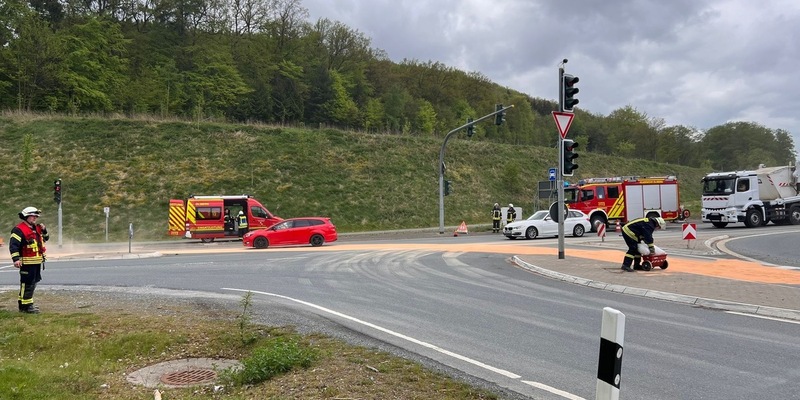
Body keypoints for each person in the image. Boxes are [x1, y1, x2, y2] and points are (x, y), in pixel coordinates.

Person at [9, 207, 49, 313]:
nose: (35, 218)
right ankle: (25, 306)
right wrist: (16, 259)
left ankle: (27, 304)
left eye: (36, 216)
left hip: (36, 261)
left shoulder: (37, 228)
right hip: (26, 262)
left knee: (33, 283)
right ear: (26, 216)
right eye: (33, 216)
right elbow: (13, 246)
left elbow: (46, 238)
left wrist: (44, 230)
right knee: (26, 283)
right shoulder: (18, 229)